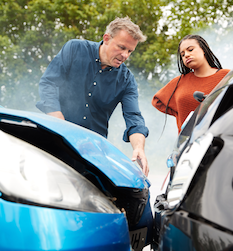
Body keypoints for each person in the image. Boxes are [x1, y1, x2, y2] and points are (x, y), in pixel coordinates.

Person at [36, 17, 149, 176]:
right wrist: (60, 125)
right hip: (55, 140)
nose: (125, 55)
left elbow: (134, 118)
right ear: (107, 38)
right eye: (121, 47)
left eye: (130, 51)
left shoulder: (126, 80)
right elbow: (48, 83)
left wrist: (138, 148)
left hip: (91, 153)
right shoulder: (75, 48)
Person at [152, 34, 230, 133]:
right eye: (183, 54)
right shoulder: (180, 81)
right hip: (189, 143)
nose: (186, 55)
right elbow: (157, 101)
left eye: (190, 50)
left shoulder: (226, 75)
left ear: (204, 49)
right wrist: (180, 113)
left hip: (222, 136)